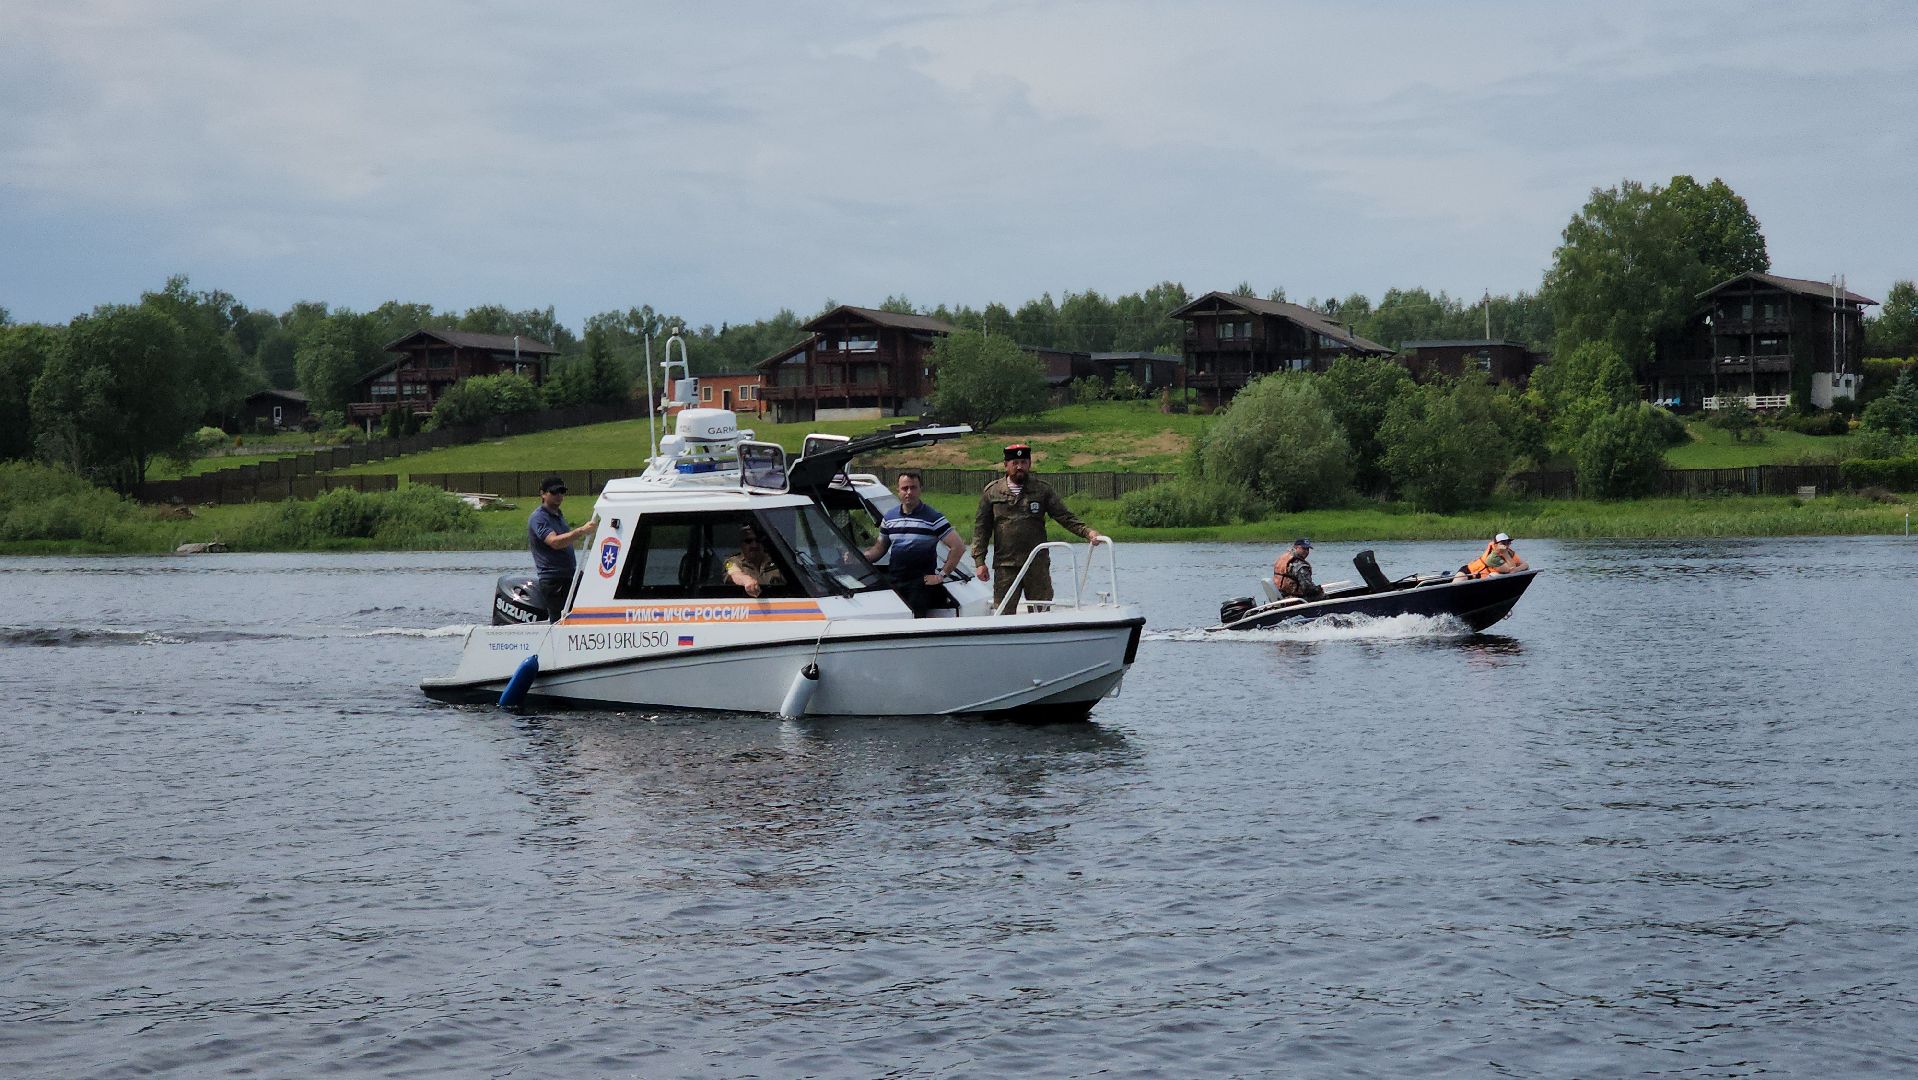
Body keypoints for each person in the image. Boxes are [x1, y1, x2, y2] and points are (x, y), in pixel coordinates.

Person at [972, 444, 1104, 613]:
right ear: (1006, 465)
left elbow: (1064, 516)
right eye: (1015, 462)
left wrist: (1088, 532)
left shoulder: (1042, 490)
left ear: (1029, 464)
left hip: (1037, 564)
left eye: (1024, 462)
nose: (1019, 466)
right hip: (1006, 565)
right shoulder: (993, 492)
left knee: (1041, 611)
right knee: (1003, 612)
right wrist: (979, 562)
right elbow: (981, 528)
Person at [865, 470, 966, 617]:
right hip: (895, 582)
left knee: (915, 624)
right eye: (905, 488)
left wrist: (941, 575)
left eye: (913, 488)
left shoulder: (933, 518)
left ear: (920, 490)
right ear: (898, 490)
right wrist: (861, 557)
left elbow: (959, 547)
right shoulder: (889, 518)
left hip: (919, 585)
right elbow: (879, 548)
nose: (909, 492)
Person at [527, 476, 598, 620]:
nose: (559, 495)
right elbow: (554, 542)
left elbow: (566, 541)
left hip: (570, 575)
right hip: (554, 580)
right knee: (560, 622)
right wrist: (581, 531)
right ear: (543, 494)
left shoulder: (558, 515)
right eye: (554, 492)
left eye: (561, 492)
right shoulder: (539, 518)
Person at [723, 524, 786, 598]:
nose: (754, 545)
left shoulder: (778, 560)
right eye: (748, 541)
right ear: (741, 544)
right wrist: (745, 580)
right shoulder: (730, 561)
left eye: (758, 540)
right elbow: (735, 574)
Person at [1460, 531, 1529, 579]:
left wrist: (1517, 569)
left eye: (1508, 542)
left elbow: (1525, 565)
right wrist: (1505, 554)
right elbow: (1510, 570)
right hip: (1468, 572)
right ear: (1495, 545)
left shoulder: (1510, 552)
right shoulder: (1493, 558)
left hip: (1479, 576)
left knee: (1496, 575)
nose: (1506, 545)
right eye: (1503, 543)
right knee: (1495, 575)